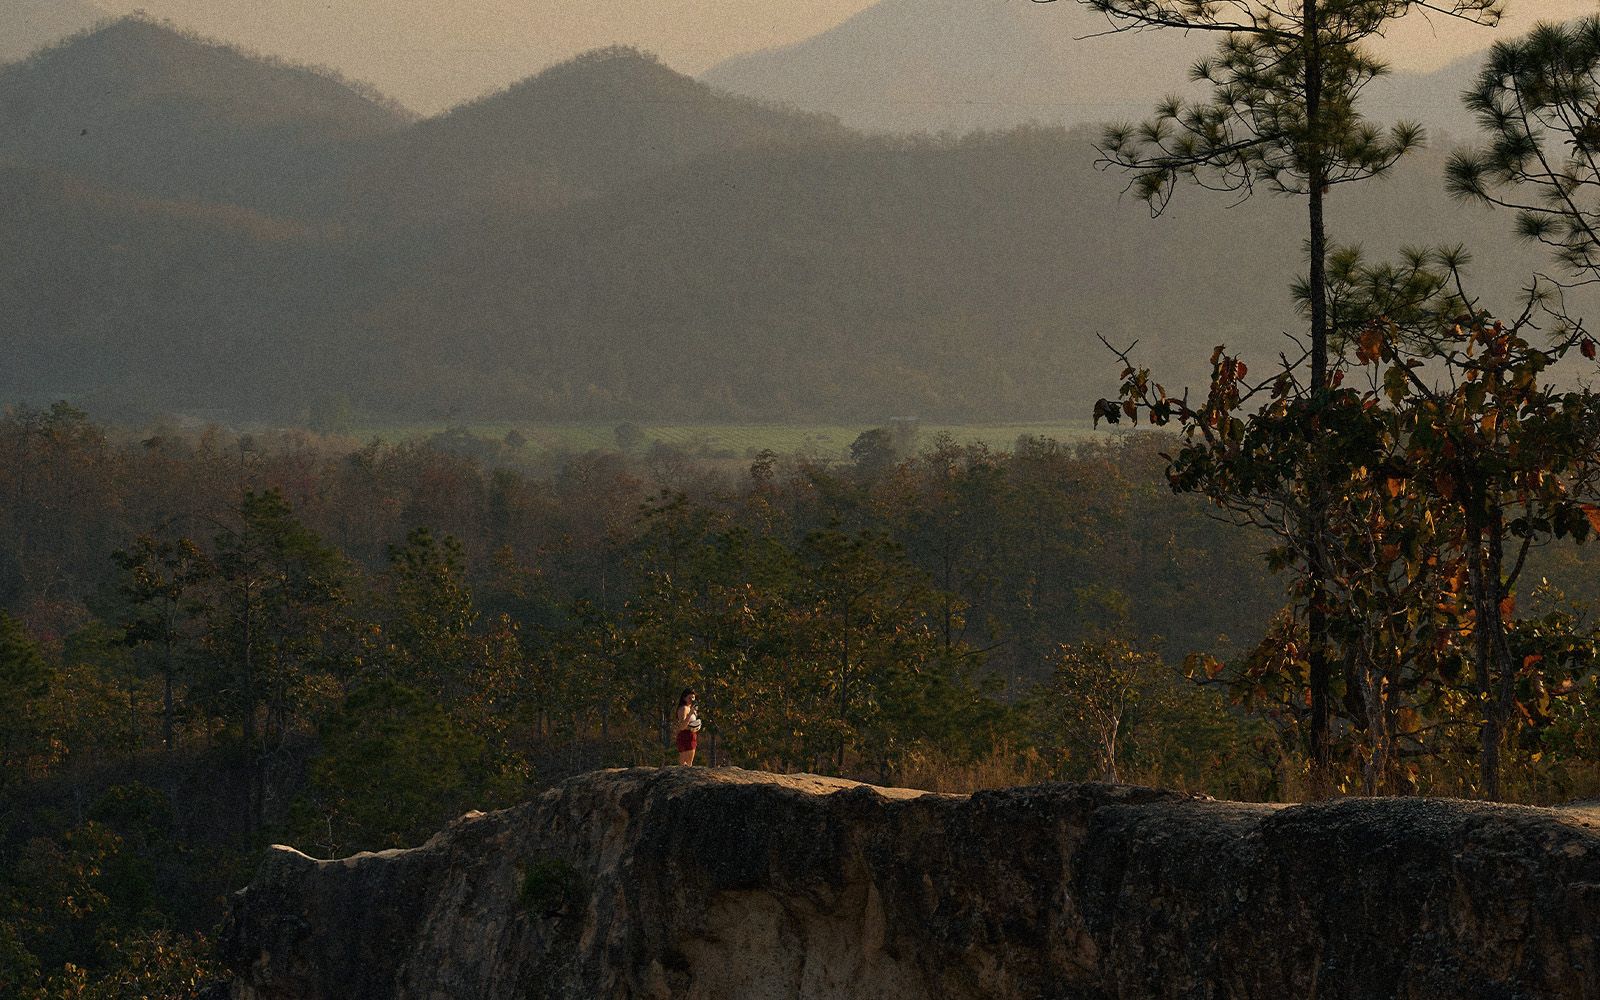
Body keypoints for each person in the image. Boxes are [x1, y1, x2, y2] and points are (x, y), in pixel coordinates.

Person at [674, 688, 701, 766]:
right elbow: (682, 726)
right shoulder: (684, 708)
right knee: (685, 764)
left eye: (693, 697)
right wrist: (690, 714)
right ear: (684, 698)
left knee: (689, 763)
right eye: (689, 698)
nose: (692, 700)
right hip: (685, 736)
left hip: (692, 735)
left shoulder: (691, 708)